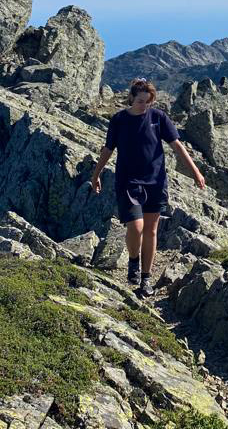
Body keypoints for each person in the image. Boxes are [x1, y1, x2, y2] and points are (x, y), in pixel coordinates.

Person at [90, 78, 206, 297]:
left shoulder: (158, 118)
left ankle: (145, 279)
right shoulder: (119, 120)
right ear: (131, 98)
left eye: (148, 102)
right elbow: (108, 149)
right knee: (136, 227)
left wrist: (195, 172)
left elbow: (177, 146)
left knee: (151, 230)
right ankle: (133, 260)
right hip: (128, 181)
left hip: (156, 181)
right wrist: (96, 175)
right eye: (141, 101)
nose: (144, 106)